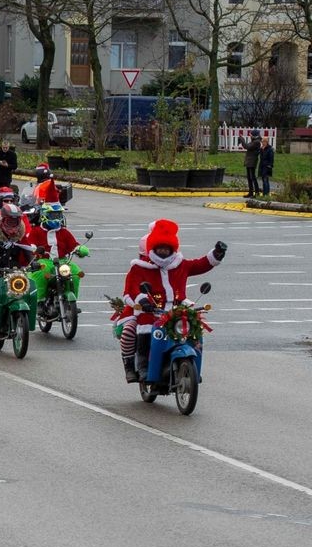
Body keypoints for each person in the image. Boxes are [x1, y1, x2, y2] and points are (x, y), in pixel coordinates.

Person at [114, 220, 226, 383]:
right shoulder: (139, 268)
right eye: (160, 248)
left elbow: (200, 264)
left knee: (194, 327)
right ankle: (141, 366)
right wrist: (143, 301)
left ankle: (193, 366)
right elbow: (131, 290)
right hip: (150, 312)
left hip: (178, 310)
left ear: (173, 249)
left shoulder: (180, 265)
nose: (163, 252)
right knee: (137, 330)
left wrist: (216, 254)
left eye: (167, 249)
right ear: (152, 249)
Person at [25, 202, 88, 299]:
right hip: (44, 261)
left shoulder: (64, 232)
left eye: (59, 215)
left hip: (63, 262)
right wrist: (35, 249)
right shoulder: (36, 231)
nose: (57, 217)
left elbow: (73, 245)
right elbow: (30, 244)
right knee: (39, 274)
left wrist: (80, 249)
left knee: (75, 272)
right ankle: (39, 301)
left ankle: (72, 299)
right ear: (44, 215)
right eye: (53, 215)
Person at [239, 129, 262, 198]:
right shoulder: (254, 141)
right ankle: (251, 192)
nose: (250, 136)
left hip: (252, 161)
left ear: (254, 135)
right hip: (249, 162)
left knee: (253, 177)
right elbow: (246, 145)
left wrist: (242, 139)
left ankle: (257, 192)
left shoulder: (256, 142)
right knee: (249, 178)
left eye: (251, 135)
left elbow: (247, 146)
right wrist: (242, 140)